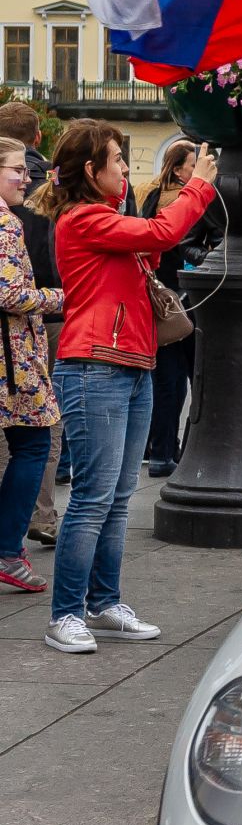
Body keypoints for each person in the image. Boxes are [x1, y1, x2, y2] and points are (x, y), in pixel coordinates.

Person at [29, 120, 216, 653]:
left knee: (117, 497)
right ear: (92, 171)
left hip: (131, 363)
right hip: (94, 366)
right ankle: (65, 614)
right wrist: (198, 186)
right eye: (117, 161)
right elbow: (162, 234)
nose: (125, 169)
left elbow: (150, 250)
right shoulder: (83, 217)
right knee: (92, 497)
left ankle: (104, 602)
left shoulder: (106, 216)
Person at [138, 140, 224, 479]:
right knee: (193, 379)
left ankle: (160, 450)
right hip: (185, 301)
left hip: (158, 300)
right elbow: (183, 243)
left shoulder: (151, 198)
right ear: (179, 170)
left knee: (165, 380)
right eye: (195, 165)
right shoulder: (191, 203)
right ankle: (183, 450)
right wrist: (211, 260)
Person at [0, 136, 62, 593]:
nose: (27, 177)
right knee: (35, 444)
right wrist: (60, 297)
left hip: (12, 352)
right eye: (17, 169)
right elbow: (8, 293)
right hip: (12, 357)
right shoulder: (5, 224)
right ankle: (6, 550)